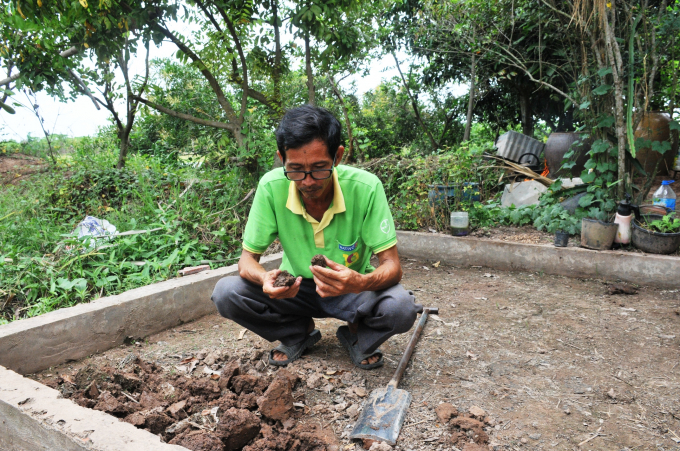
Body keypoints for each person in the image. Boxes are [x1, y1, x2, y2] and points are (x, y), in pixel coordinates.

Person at [211, 105, 421, 369]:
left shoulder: (366, 188)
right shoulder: (271, 186)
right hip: (294, 290)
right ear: (281, 158)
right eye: (296, 169)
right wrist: (265, 278)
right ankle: (298, 332)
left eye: (320, 168)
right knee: (226, 293)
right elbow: (246, 262)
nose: (308, 181)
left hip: (350, 288)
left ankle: (357, 335)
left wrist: (359, 282)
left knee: (401, 307)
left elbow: (392, 266)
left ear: (338, 156)